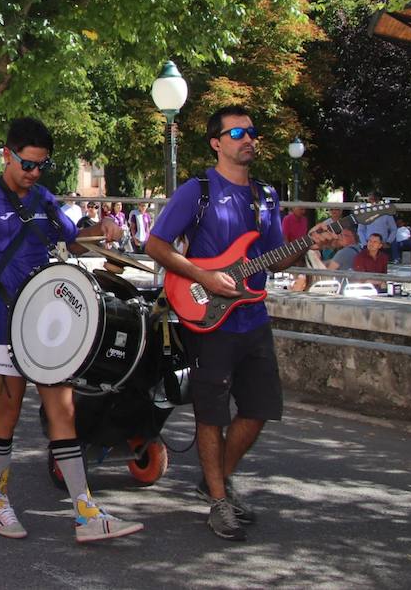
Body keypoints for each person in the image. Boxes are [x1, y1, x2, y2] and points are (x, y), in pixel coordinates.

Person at [0, 117, 143, 544]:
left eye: (41, 165)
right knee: (7, 413)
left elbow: (74, 240)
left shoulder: (45, 198)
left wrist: (102, 231)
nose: (33, 173)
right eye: (27, 164)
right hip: (5, 321)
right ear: (7, 155)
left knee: (63, 412)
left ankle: (86, 512)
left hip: (47, 324)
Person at [146, 106, 336, 541]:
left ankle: (216, 479)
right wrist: (204, 277)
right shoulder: (198, 191)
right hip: (209, 319)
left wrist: (310, 241)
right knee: (211, 414)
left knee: (260, 408)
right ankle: (219, 500)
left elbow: (275, 257)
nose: (248, 138)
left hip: (252, 317)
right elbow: (156, 244)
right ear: (216, 143)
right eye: (236, 133)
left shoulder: (265, 196)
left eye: (252, 132)